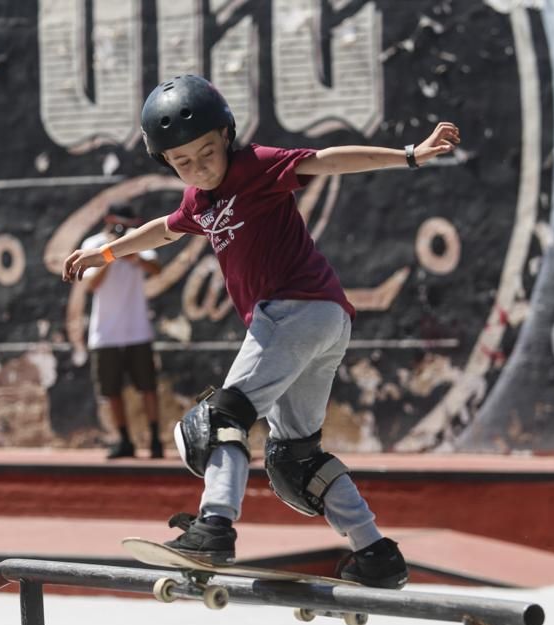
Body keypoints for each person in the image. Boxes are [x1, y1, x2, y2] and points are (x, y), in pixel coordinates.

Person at [63, 74, 459, 589]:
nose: (198, 167)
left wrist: (410, 154)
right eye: (182, 162)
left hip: (292, 312)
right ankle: (376, 554)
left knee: (220, 419)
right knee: (296, 456)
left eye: (206, 153)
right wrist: (106, 252)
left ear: (226, 136)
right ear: (167, 163)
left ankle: (214, 527)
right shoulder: (197, 203)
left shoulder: (256, 165)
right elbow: (163, 229)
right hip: (325, 322)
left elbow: (328, 159)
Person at [80, 203, 165, 459]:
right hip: (105, 333)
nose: (124, 230)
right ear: (108, 221)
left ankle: (155, 440)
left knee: (147, 387)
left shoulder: (137, 240)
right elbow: (92, 284)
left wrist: (132, 253)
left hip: (137, 329)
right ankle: (124, 440)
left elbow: (156, 270)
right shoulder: (93, 243)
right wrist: (109, 254)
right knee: (111, 390)